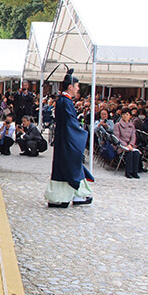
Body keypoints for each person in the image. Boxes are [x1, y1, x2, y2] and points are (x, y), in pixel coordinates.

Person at [44, 69, 94, 208]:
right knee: (70, 167)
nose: (78, 89)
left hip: (65, 139)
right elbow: (70, 124)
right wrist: (80, 133)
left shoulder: (64, 101)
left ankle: (71, 196)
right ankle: (67, 197)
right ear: (70, 86)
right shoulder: (65, 102)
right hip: (67, 140)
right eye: (77, 86)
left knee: (69, 167)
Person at [115, 108, 143, 178]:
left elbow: (134, 137)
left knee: (136, 153)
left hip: (130, 145)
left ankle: (135, 172)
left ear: (130, 116)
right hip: (121, 145)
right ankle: (128, 172)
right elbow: (117, 137)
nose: (125, 116)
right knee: (129, 153)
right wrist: (126, 145)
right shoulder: (117, 125)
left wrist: (131, 144)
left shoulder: (132, 125)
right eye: (123, 114)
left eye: (127, 114)